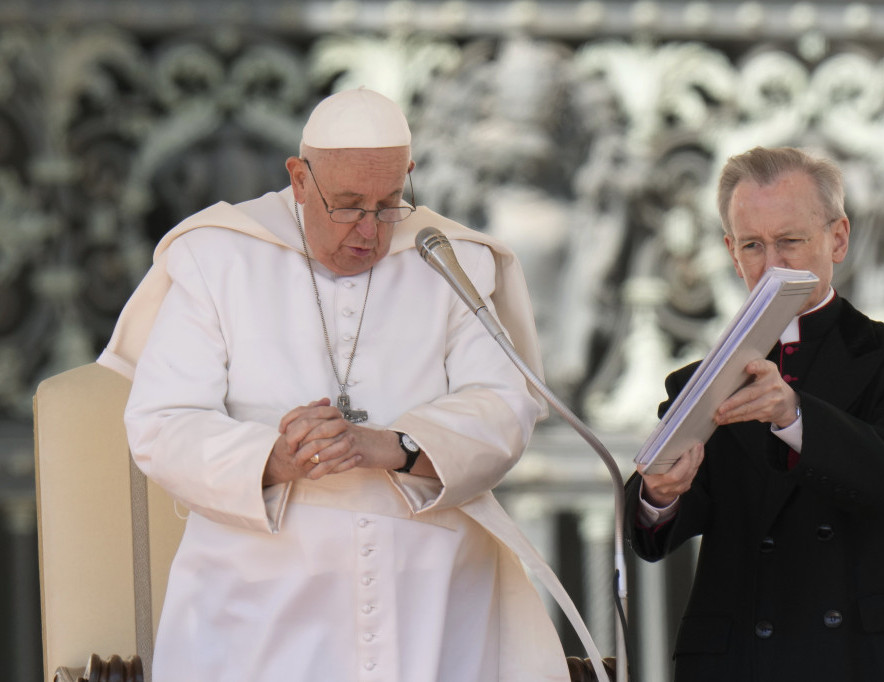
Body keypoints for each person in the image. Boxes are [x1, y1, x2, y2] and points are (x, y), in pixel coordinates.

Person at [97, 88, 604, 681]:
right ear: (300, 178)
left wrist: (390, 446)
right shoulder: (218, 256)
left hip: (430, 591)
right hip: (260, 590)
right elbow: (162, 422)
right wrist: (276, 457)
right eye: (347, 205)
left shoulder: (448, 258)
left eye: (388, 203)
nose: (369, 230)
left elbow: (502, 405)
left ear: (408, 176)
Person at [626, 146, 884, 681]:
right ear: (731, 253)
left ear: (838, 237)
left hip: (865, 656)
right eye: (752, 245)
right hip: (743, 659)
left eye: (790, 241)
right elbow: (654, 536)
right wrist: (660, 497)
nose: (772, 264)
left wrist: (795, 418)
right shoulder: (695, 381)